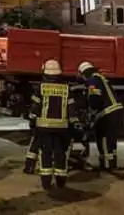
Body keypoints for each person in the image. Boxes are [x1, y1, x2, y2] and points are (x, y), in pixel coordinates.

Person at [28, 59, 79, 190]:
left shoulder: (40, 87)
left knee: (45, 154)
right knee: (60, 154)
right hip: (62, 128)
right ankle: (61, 181)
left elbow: (35, 107)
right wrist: (74, 124)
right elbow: (71, 109)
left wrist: (32, 121)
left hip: (43, 128)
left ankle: (46, 182)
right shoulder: (67, 89)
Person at [78, 61, 124, 172]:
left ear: (84, 73)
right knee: (111, 139)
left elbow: (95, 98)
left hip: (107, 113)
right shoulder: (100, 78)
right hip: (114, 111)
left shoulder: (92, 80)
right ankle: (112, 164)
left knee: (103, 139)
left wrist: (92, 112)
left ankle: (107, 166)